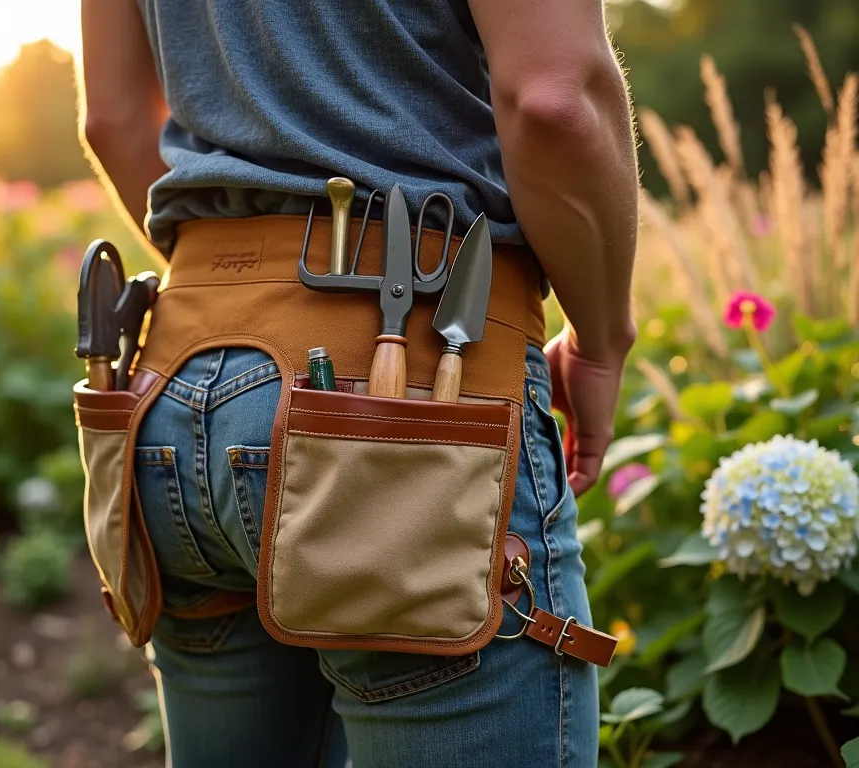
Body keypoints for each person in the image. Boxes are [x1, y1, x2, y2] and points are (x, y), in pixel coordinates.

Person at [76, 0, 638, 765]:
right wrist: (601, 341)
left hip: (173, 388)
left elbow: (112, 119)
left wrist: (238, 282)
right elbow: (553, 100)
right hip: (411, 423)